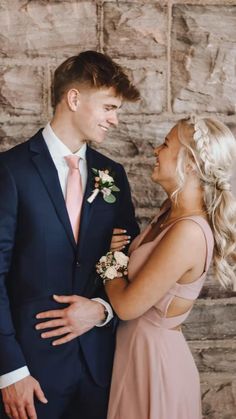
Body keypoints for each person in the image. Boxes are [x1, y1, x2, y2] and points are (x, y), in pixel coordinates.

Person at [0, 51, 140, 419]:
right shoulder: (10, 171)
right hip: (31, 375)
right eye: (109, 107)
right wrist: (10, 371)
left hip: (99, 372)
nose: (115, 119)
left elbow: (130, 260)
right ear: (73, 99)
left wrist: (102, 311)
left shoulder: (113, 174)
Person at [98, 116, 236, 419]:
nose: (155, 150)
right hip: (133, 356)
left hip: (155, 366)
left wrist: (108, 258)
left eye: (166, 143)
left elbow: (126, 305)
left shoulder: (189, 232)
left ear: (189, 163)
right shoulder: (168, 213)